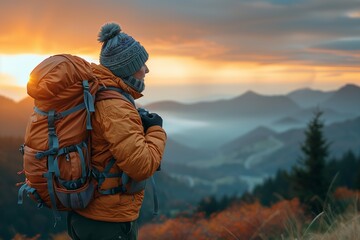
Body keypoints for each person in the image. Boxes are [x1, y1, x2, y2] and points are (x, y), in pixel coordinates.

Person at [67, 22, 167, 240]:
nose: (146, 70)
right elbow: (141, 167)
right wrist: (156, 129)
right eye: (142, 64)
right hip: (107, 221)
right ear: (128, 69)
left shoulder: (98, 93)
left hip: (89, 216)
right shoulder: (115, 106)